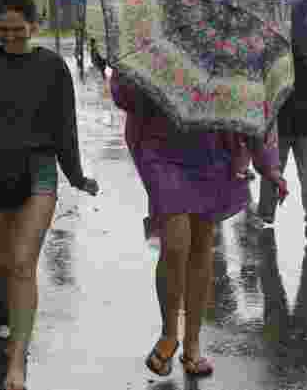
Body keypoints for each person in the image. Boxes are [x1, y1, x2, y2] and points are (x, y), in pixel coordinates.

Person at [110, 69, 288, 377]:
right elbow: (123, 97)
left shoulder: (230, 51)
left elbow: (250, 110)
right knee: (175, 244)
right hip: (160, 152)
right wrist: (144, 80)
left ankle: (192, 343)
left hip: (214, 153)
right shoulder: (155, 45)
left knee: (201, 246)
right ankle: (169, 334)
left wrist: (269, 167)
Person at [0, 0, 99, 390]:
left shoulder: (52, 67)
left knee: (23, 263)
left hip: (38, 170)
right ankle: (15, 330)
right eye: (2, 31)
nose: (10, 38)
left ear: (34, 25)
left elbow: (65, 127)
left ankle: (16, 358)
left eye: (18, 30)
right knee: (5, 266)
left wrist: (76, 174)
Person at [258, 25, 307, 237]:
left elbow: (265, 77)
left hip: (281, 116)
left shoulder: (275, 45)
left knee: (273, 165)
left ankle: (266, 215)